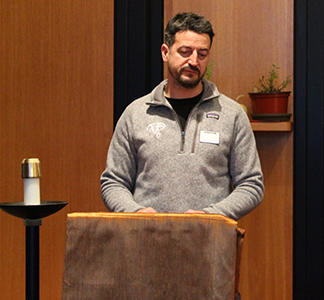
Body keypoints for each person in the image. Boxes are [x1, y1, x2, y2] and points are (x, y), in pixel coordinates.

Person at [100, 12, 264, 220]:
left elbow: (251, 184)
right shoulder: (136, 113)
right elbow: (113, 182)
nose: (194, 61)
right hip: (146, 241)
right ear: (165, 52)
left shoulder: (232, 115)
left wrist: (211, 216)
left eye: (202, 54)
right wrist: (135, 213)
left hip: (209, 242)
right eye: (185, 52)